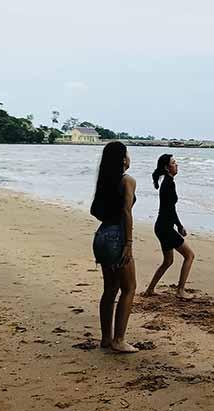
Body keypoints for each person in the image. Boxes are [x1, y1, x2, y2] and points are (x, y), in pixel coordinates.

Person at [90, 141, 139, 353]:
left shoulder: (105, 182)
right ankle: (119, 340)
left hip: (101, 235)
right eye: (127, 154)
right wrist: (128, 243)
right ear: (122, 159)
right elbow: (127, 212)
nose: (129, 158)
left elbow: (96, 211)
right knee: (129, 288)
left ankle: (106, 338)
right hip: (116, 237)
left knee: (110, 289)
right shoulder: (127, 181)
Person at [144, 154, 196, 299]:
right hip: (165, 228)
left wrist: (178, 226)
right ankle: (180, 290)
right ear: (167, 168)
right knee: (189, 256)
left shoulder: (168, 182)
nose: (177, 165)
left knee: (168, 261)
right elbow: (170, 210)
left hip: (162, 226)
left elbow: (169, 209)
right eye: (173, 163)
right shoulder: (168, 183)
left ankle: (150, 290)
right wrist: (179, 226)